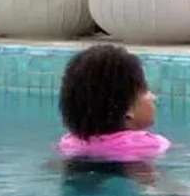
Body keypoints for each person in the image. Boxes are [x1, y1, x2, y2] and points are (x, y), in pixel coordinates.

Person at [57, 44, 171, 187]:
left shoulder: (70, 144)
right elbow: (163, 185)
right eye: (146, 91)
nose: (153, 97)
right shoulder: (146, 144)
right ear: (128, 110)